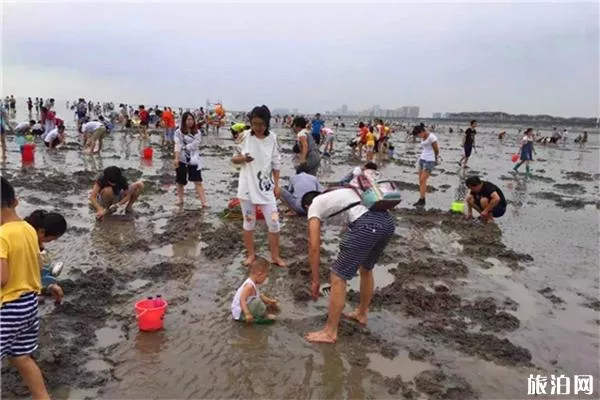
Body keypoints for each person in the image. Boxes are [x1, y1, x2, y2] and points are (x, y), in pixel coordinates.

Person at [300, 178, 395, 343]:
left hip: (367, 224)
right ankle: (361, 313)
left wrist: (315, 280)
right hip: (387, 222)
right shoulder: (339, 194)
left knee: (338, 276)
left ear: (307, 207)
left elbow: (313, 246)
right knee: (366, 269)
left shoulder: (314, 207)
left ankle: (330, 332)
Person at [0, 177, 51, 399]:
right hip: (29, 304)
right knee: (21, 358)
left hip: (8, 309)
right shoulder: (28, 230)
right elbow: (39, 264)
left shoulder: (1, 236)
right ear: (16, 201)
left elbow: (2, 278)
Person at [231, 105, 285, 267]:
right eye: (254, 124)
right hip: (246, 189)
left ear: (267, 123)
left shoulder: (273, 139)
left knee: (274, 222)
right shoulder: (244, 136)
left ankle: (275, 256)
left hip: (266, 189)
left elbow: (276, 164)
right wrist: (243, 159)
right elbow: (234, 159)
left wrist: (277, 185)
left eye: (261, 124)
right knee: (249, 222)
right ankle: (251, 255)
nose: (258, 128)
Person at [24, 210, 67, 304]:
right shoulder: (26, 245)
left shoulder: (23, 228)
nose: (43, 245)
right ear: (41, 232)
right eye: (50, 240)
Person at [174, 112, 208, 208]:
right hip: (181, 159)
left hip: (193, 159)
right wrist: (176, 158)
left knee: (198, 181)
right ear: (184, 121)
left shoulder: (197, 132)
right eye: (188, 119)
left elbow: (195, 144)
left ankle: (203, 202)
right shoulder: (178, 132)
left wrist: (184, 147)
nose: (190, 122)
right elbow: (177, 145)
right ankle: (180, 199)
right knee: (180, 181)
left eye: (191, 119)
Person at [231, 257, 279, 323]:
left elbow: (259, 295)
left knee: (260, 298)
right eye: (266, 276)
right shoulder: (249, 286)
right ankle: (263, 315)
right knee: (257, 302)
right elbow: (242, 300)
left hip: (245, 306)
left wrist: (268, 301)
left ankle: (260, 311)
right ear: (259, 274)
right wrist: (247, 314)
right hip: (240, 313)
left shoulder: (254, 283)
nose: (266, 279)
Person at [413, 124, 440, 207]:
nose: (419, 137)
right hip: (422, 159)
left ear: (422, 131)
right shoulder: (423, 137)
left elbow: (436, 149)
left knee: (422, 180)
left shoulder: (432, 137)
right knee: (420, 181)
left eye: (418, 135)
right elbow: (425, 148)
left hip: (430, 160)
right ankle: (421, 199)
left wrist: (436, 159)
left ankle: (422, 199)